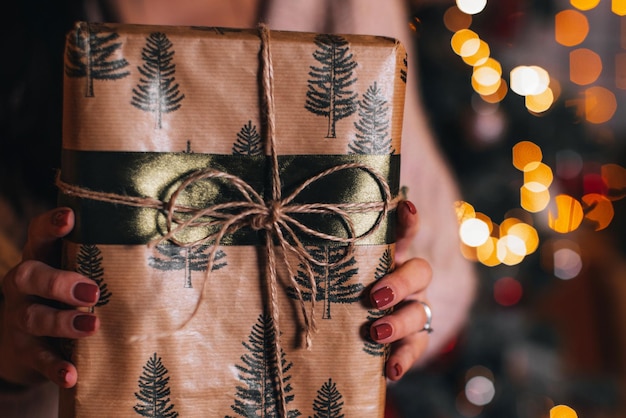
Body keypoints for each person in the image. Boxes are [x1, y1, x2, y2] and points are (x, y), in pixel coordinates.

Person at [0, 0, 476, 416]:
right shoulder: (28, 25)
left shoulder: (346, 5)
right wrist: (13, 352)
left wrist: (407, 304)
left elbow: (445, 267)